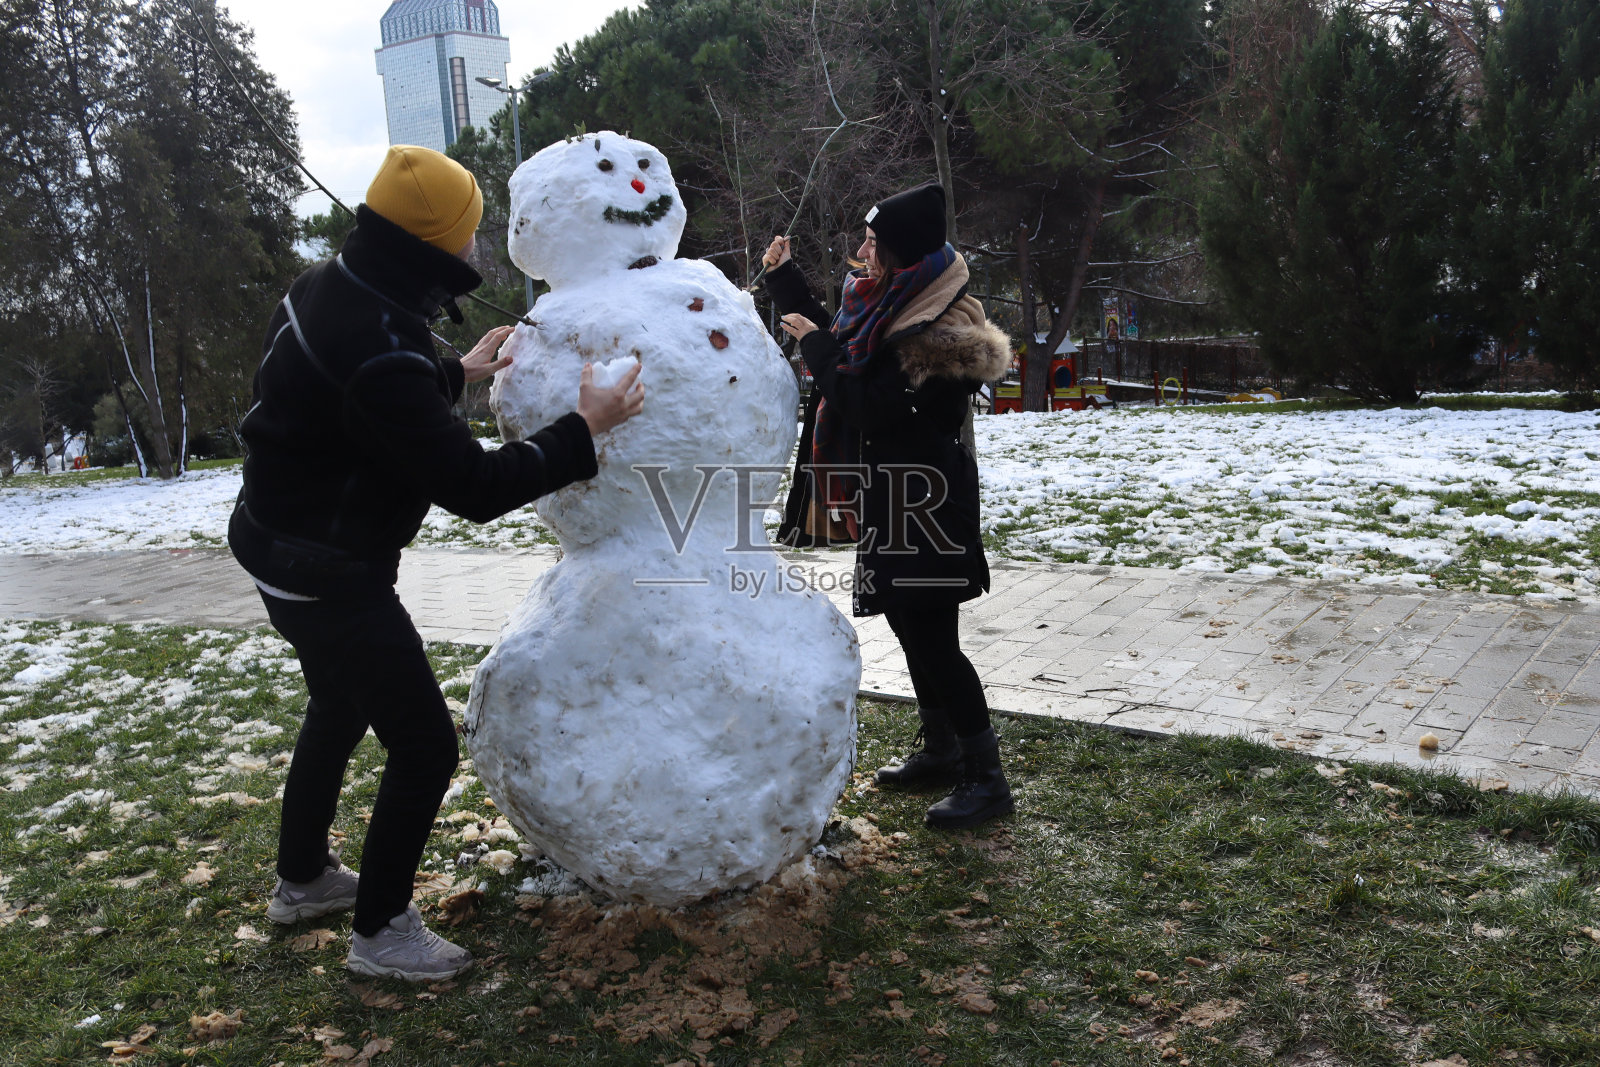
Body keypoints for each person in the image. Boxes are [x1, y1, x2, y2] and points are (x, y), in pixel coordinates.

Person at [227, 145, 643, 981]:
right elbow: (475, 485)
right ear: (430, 243)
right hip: (326, 568)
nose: (474, 252)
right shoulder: (382, 342)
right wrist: (584, 428)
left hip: (276, 540)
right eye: (467, 237)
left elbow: (359, 396)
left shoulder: (334, 284)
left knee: (338, 707)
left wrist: (454, 369)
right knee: (423, 746)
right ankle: (382, 932)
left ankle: (304, 879)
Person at [761, 181, 1014, 830]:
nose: (863, 252)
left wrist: (815, 349)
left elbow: (868, 398)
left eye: (876, 243)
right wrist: (784, 280)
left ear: (904, 255)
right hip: (895, 495)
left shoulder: (940, 334)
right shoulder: (890, 302)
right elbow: (845, 345)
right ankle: (940, 749)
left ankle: (987, 780)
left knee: (935, 639)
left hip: (927, 503)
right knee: (909, 625)